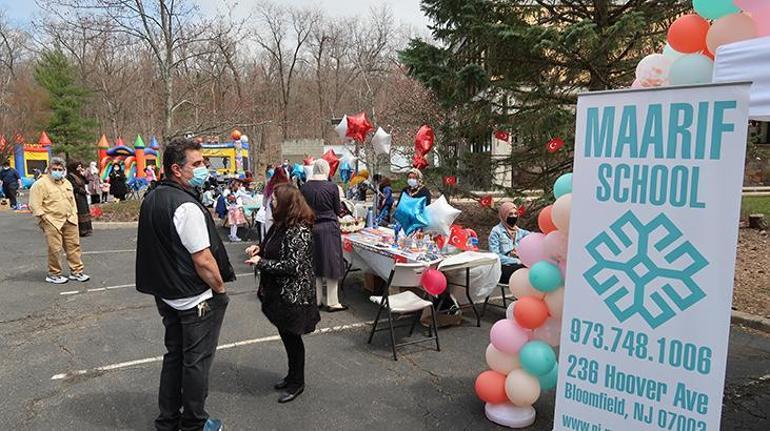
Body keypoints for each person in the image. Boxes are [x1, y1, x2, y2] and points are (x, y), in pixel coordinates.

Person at [136, 137, 235, 431]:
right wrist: (220, 289)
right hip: (193, 299)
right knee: (196, 362)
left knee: (175, 356)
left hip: (167, 294)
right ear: (177, 169)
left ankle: (168, 419)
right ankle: (194, 422)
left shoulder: (153, 196)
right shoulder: (185, 206)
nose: (204, 168)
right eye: (198, 163)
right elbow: (203, 259)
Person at [245, 183, 320, 403]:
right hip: (279, 293)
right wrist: (259, 248)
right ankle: (292, 376)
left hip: (293, 295)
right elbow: (272, 246)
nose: (272, 202)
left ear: (288, 202)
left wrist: (261, 263)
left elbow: (292, 266)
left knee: (293, 338)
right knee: (287, 337)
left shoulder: (300, 229)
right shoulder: (281, 224)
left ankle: (297, 383)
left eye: (276, 200)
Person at [28, 157, 90, 284]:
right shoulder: (40, 184)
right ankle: (54, 274)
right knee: (55, 248)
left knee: (74, 246)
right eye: (54, 169)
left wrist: (74, 214)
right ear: (49, 169)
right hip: (52, 221)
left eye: (60, 169)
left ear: (64, 170)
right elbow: (34, 204)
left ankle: (76, 272)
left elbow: (72, 201)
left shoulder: (66, 183)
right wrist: (43, 218)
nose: (57, 171)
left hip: (69, 219)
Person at [300, 159, 347, 312]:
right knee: (331, 263)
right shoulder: (332, 187)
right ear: (326, 169)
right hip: (329, 228)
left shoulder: (304, 187)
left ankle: (317, 299)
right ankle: (332, 301)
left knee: (315, 263)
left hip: (311, 227)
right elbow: (337, 210)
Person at [488, 202, 531, 284]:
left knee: (532, 267)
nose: (513, 216)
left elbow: (533, 237)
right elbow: (495, 256)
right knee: (525, 269)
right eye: (510, 214)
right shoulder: (496, 231)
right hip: (503, 268)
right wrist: (516, 261)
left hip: (519, 266)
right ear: (504, 215)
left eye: (515, 214)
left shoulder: (520, 232)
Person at [65, 160, 93, 237]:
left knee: (85, 211)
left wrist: (83, 175)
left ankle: (87, 229)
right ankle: (81, 230)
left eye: (80, 166)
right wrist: (84, 192)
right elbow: (74, 187)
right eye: (78, 166)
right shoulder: (70, 176)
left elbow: (86, 182)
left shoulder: (79, 175)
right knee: (80, 211)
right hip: (77, 196)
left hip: (82, 196)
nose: (80, 168)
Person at [261, 164, 290, 238]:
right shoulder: (287, 186)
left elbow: (264, 202)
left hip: (270, 212)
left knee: (270, 236)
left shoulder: (270, 184)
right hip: (283, 214)